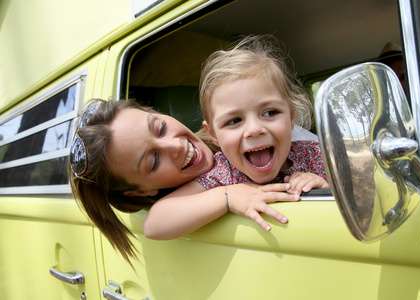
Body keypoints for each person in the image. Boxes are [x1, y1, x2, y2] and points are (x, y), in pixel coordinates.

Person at [69, 98, 300, 264]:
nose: (176, 146)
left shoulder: (246, 134)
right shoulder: (195, 195)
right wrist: (229, 195)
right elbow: (154, 224)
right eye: (154, 161)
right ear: (140, 192)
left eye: (160, 127)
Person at [144, 35, 329, 240]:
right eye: (233, 121)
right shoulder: (224, 174)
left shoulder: (316, 155)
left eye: (270, 113)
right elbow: (154, 224)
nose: (254, 130)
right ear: (213, 134)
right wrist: (227, 197)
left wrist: (324, 187)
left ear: (292, 116)